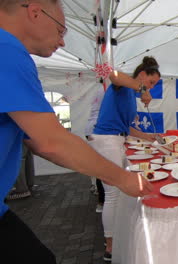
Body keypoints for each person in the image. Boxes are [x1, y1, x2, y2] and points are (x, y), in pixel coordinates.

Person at [0, 1, 154, 263]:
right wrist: (123, 178)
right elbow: (50, 142)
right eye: (61, 31)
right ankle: (110, 245)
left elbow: (36, 140)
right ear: (35, 11)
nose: (62, 43)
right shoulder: (7, 51)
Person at [89, 56, 161, 261]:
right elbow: (114, 74)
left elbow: (126, 127)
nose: (151, 88)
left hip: (115, 140)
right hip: (106, 141)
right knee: (112, 195)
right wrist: (143, 89)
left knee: (120, 193)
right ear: (141, 75)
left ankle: (118, 234)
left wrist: (149, 137)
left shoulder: (129, 93)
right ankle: (110, 246)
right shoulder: (124, 86)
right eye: (151, 82)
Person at [84, 88, 106, 212]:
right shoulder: (107, 91)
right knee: (102, 167)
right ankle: (101, 202)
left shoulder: (100, 90)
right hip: (97, 131)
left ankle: (98, 193)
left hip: (93, 130)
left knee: (99, 165)